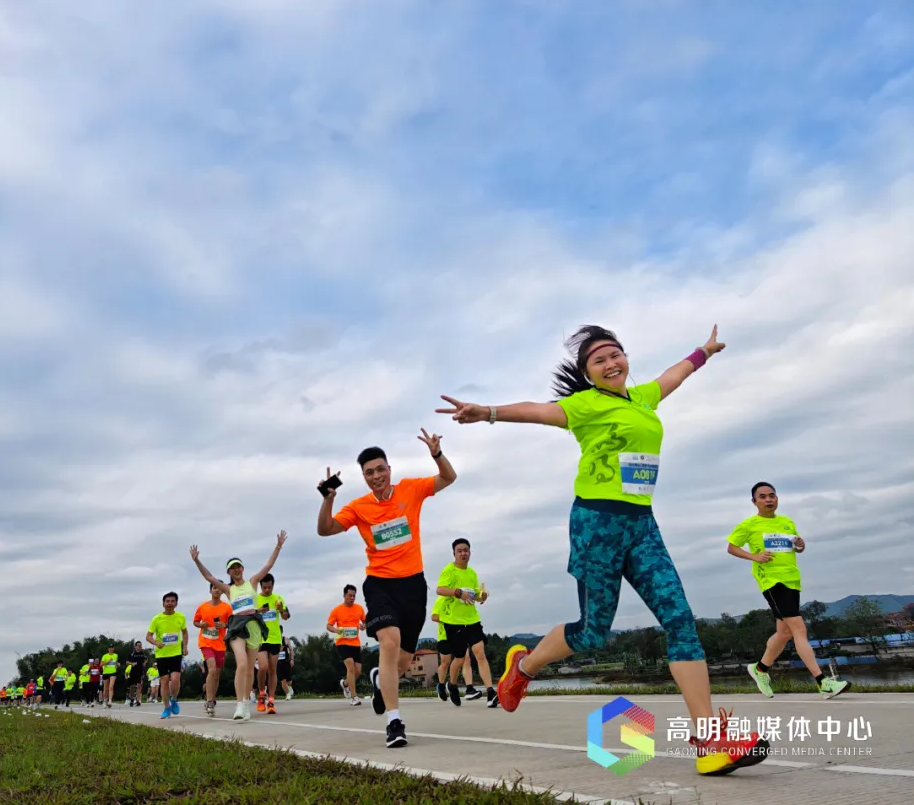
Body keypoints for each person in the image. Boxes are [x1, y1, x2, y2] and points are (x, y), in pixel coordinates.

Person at [438, 324, 770, 776]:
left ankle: (710, 740)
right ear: (588, 374)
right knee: (594, 634)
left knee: (681, 621)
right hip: (596, 525)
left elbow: (674, 375)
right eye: (600, 360)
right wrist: (488, 411)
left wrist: (704, 351)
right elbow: (537, 411)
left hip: (642, 526)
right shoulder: (584, 405)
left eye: (617, 354)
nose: (612, 363)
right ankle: (524, 665)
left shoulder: (644, 398)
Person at [317, 431, 457, 748]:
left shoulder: (411, 489)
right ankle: (394, 722)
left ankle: (381, 679)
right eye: (369, 472)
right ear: (364, 477)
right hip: (380, 584)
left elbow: (449, 477)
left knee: (402, 663)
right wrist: (328, 500)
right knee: (388, 640)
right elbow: (325, 530)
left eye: (380, 469)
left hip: (413, 586)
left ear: (389, 469)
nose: (376, 476)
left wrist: (437, 453)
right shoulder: (359, 507)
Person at [727, 482, 850, 699]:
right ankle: (822, 683)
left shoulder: (787, 522)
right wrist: (754, 556)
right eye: (762, 496)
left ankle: (760, 669)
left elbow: (795, 547)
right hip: (772, 582)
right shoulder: (748, 525)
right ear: (754, 501)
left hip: (792, 579)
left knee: (784, 633)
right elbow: (731, 547)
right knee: (799, 629)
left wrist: (801, 545)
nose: (768, 500)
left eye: (772, 495)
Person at [189, 530, 287, 722]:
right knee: (241, 662)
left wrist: (278, 546)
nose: (236, 569)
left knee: (250, 668)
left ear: (242, 568)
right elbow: (209, 577)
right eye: (232, 568)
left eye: (238, 566)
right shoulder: (229, 589)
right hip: (237, 626)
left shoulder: (252, 583)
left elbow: (268, 566)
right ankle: (239, 705)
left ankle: (245, 704)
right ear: (228, 572)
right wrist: (197, 561)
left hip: (254, 626)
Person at [435, 538, 497, 707]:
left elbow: (475, 594)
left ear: (470, 552)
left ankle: (491, 692)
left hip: (472, 619)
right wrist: (457, 592)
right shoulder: (449, 570)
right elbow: (439, 589)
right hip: (453, 622)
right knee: (460, 659)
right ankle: (452, 684)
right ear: (454, 554)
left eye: (466, 550)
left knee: (480, 653)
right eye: (459, 551)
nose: (463, 553)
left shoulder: (471, 573)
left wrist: (481, 596)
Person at [145, 591, 189, 719]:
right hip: (162, 655)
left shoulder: (180, 617)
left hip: (176, 653)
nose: (170, 604)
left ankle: (174, 699)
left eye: (172, 601)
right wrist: (156, 642)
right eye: (167, 601)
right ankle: (166, 707)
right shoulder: (156, 619)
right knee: (164, 680)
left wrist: (185, 647)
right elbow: (148, 636)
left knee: (175, 679)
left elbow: (185, 633)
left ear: (176, 603)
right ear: (163, 603)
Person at [193, 584, 233, 717]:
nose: (216, 590)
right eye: (214, 587)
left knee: (217, 674)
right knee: (212, 669)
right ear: (210, 590)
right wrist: (201, 625)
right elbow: (195, 621)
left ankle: (212, 698)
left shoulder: (227, 607)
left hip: (220, 644)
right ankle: (209, 701)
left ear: (222, 591)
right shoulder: (203, 606)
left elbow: (233, 623)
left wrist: (224, 625)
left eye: (219, 588)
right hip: (205, 642)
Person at [255, 573, 290, 714]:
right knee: (262, 667)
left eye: (269, 587)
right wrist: (259, 611)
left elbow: (286, 617)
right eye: (264, 587)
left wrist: (281, 609)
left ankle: (271, 700)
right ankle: (261, 694)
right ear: (260, 586)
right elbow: (249, 615)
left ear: (273, 586)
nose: (267, 590)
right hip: (260, 638)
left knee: (272, 669)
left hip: (275, 638)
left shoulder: (278, 598)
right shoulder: (255, 599)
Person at [327, 584, 366, 706]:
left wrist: (364, 626)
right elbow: (328, 626)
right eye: (350, 595)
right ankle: (354, 697)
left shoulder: (359, 609)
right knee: (350, 667)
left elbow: (365, 622)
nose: (352, 598)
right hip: (342, 642)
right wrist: (336, 630)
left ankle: (345, 684)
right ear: (344, 596)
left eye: (354, 596)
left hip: (355, 642)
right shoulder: (337, 610)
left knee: (358, 671)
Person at [126, 640, 147, 707]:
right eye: (139, 646)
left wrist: (144, 663)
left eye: (141, 645)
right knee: (132, 685)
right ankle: (132, 698)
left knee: (139, 685)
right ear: (136, 646)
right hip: (133, 671)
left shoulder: (142, 653)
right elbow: (127, 662)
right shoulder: (132, 653)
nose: (140, 647)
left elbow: (146, 659)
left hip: (140, 671)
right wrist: (132, 663)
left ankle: (138, 700)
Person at [277, 633, 294, 700]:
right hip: (277, 663)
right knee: (282, 680)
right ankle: (288, 694)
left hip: (286, 661)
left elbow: (291, 650)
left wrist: (292, 659)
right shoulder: (272, 640)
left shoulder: (286, 639)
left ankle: (289, 687)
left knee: (289, 681)